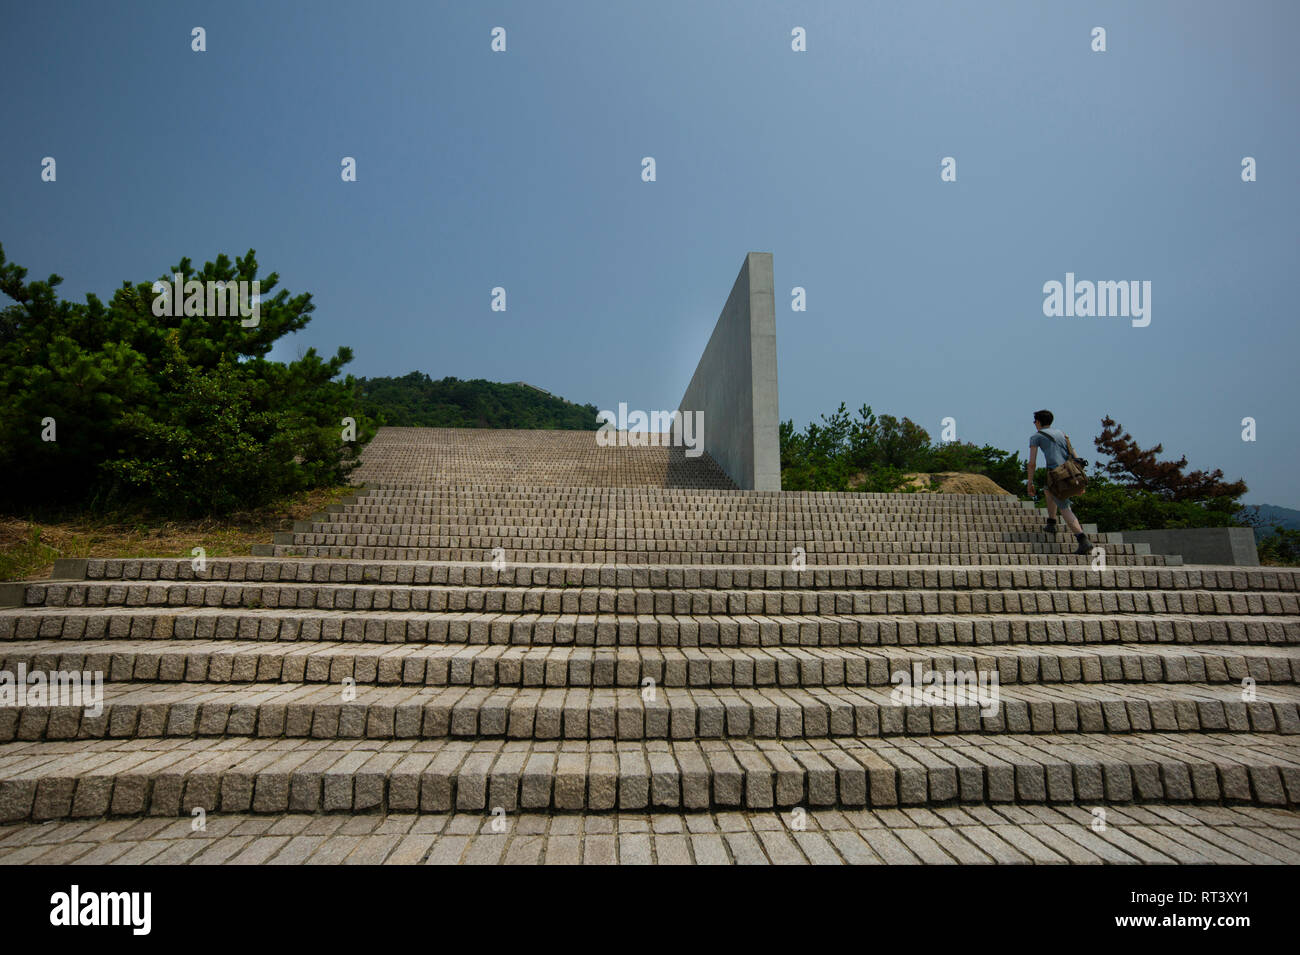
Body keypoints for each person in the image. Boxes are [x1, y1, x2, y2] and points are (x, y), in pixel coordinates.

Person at [1026, 409, 1093, 555]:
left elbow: (1032, 463)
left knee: (1065, 507)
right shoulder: (1062, 434)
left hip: (1057, 475)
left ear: (1037, 422)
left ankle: (1083, 540)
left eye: (1034, 422)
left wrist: (1029, 482)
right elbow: (1075, 455)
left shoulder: (1036, 437)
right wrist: (1079, 478)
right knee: (1047, 490)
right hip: (1070, 472)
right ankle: (1051, 522)